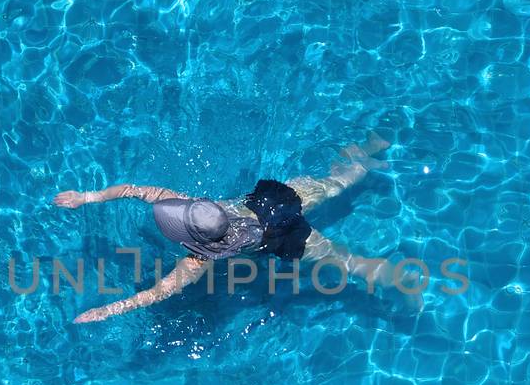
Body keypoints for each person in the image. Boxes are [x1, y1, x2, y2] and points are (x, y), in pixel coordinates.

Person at [54, 133, 402, 323]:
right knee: (332, 183)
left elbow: (156, 294)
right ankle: (369, 150)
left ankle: (402, 282)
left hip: (279, 237)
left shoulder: (197, 261)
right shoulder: (202, 208)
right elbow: (135, 189)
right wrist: (88, 197)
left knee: (351, 263)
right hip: (270, 204)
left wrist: (105, 311)